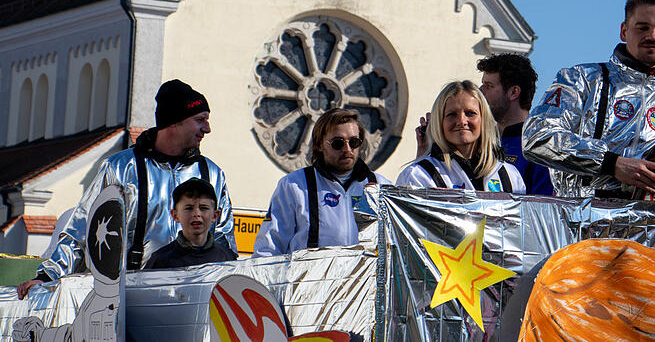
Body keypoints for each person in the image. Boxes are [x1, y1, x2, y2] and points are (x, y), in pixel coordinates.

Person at [18, 79, 235, 299]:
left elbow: (224, 242)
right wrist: (48, 276)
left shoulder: (212, 174)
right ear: (174, 121)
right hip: (134, 298)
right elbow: (83, 228)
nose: (207, 129)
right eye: (200, 120)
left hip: (197, 297)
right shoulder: (120, 168)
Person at [522, 0, 655, 202]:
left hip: (653, 222)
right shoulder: (582, 79)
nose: (653, 36)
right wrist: (611, 164)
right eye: (643, 27)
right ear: (624, 31)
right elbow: (536, 137)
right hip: (583, 218)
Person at [253, 108, 391, 256]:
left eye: (354, 142)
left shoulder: (381, 186)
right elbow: (268, 248)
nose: (347, 149)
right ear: (319, 144)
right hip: (308, 271)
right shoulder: (294, 186)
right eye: (338, 143)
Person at [397, 80, 526, 193]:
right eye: (452, 114)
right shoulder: (418, 176)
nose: (462, 121)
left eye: (470, 113)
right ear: (439, 122)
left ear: (483, 119)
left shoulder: (510, 176)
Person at [477, 53, 553, 196]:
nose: (480, 92)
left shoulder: (540, 148)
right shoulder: (477, 140)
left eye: (489, 86)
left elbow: (542, 205)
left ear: (514, 92)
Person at [144, 178, 238, 269]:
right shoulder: (160, 261)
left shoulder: (226, 259)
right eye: (189, 208)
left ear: (215, 215)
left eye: (203, 208)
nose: (196, 214)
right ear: (175, 215)